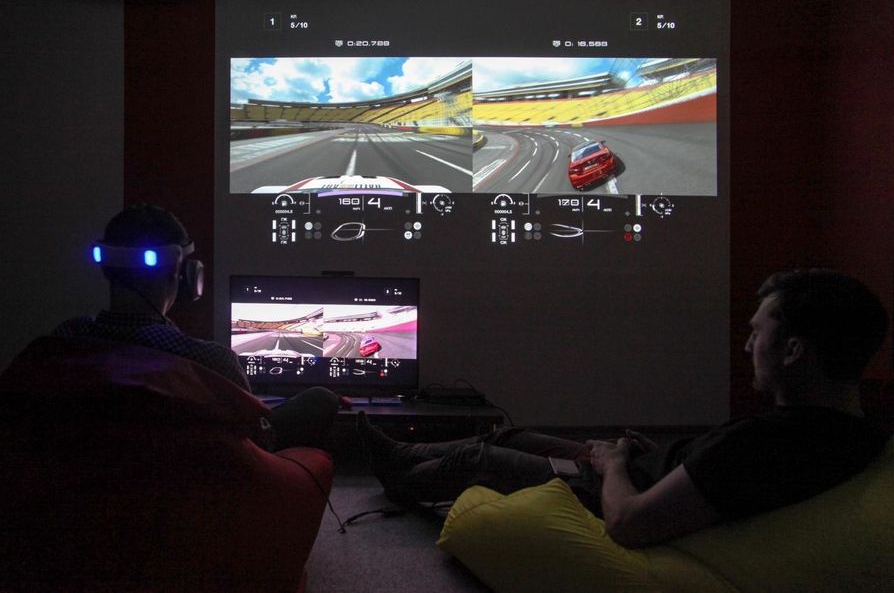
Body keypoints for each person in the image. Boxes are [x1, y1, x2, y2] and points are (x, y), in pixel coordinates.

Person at [358, 268, 891, 548]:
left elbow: (629, 524)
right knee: (513, 436)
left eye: (758, 334)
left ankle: (401, 477)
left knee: (485, 459)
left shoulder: (770, 442)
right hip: (645, 471)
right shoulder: (848, 430)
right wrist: (650, 455)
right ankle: (404, 454)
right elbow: (716, 473)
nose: (748, 346)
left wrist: (613, 464)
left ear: (793, 351)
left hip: (614, 491)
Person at [53, 203, 339, 451]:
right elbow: (256, 439)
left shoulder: (65, 340)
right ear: (185, 276)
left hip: (92, 482)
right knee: (321, 399)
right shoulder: (210, 361)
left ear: (106, 269)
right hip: (201, 483)